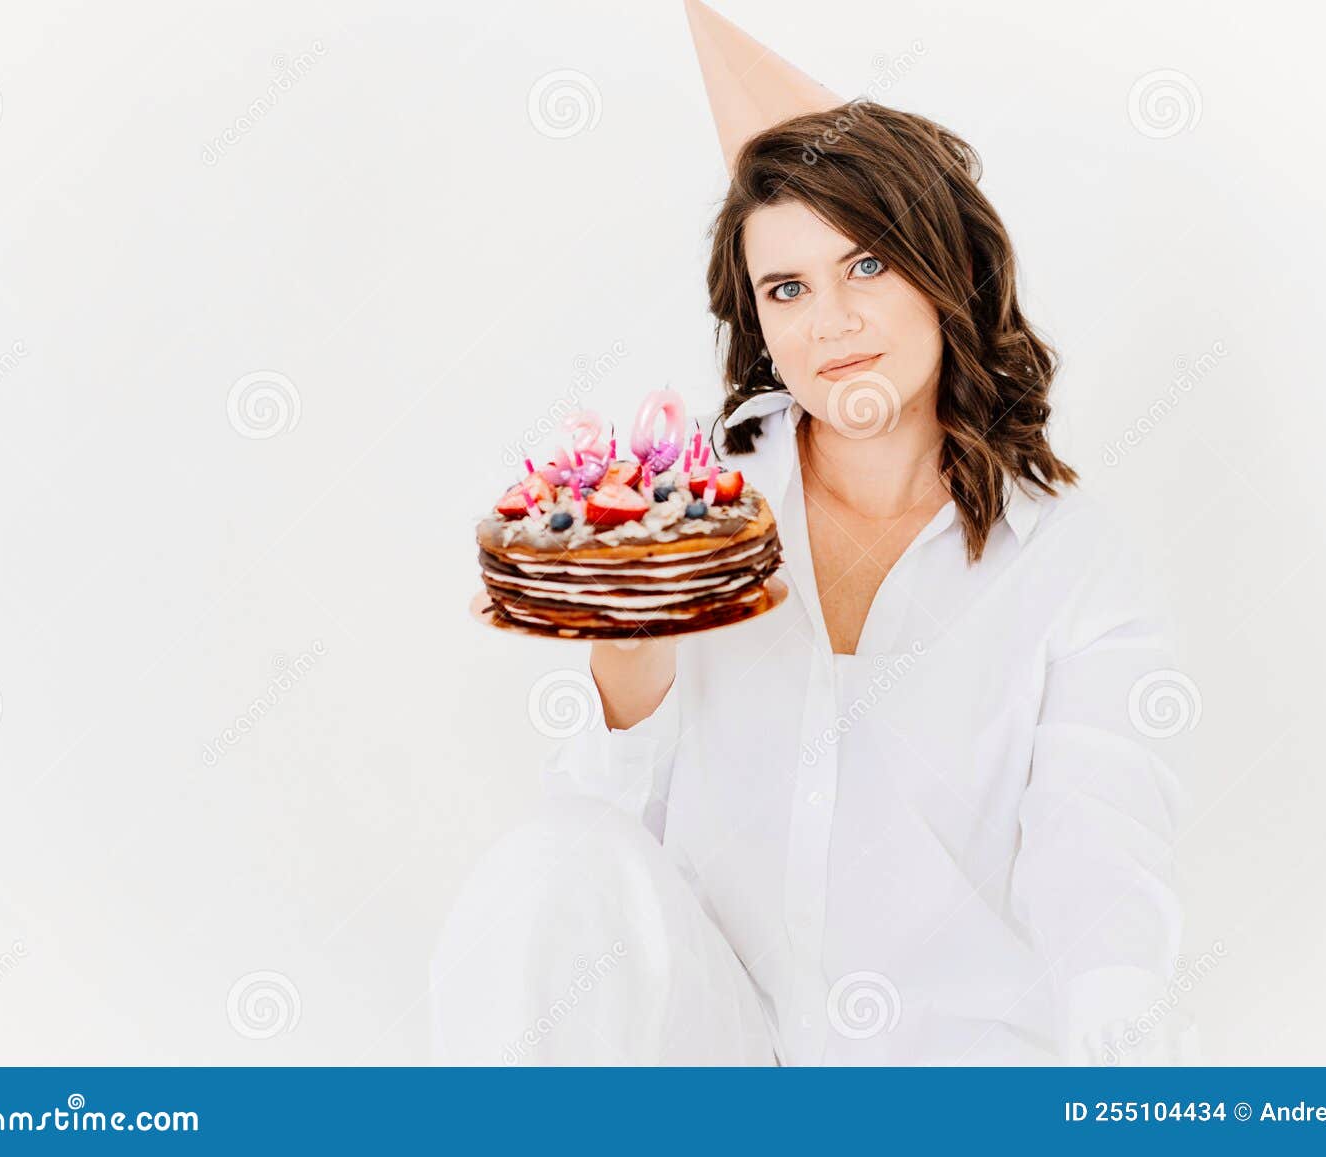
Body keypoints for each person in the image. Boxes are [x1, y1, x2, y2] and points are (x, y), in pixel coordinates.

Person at [430, 3, 1197, 1066]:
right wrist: (628, 649)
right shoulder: (687, 510)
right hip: (718, 1046)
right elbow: (593, 865)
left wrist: (1117, 1008)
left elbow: (1098, 832)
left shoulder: (1069, 557)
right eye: (786, 288)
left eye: (868, 265)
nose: (829, 319)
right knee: (546, 858)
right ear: (759, 323)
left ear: (948, 272)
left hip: (949, 1073)